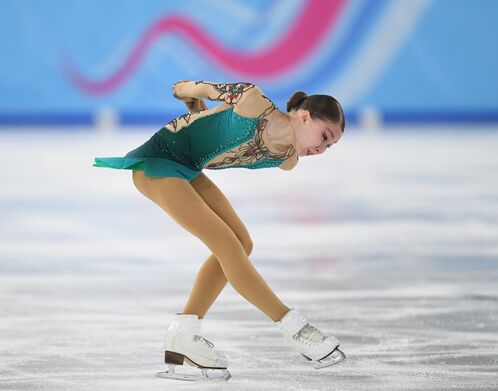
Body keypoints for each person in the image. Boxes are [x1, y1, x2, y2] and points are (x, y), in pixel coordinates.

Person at [93, 80, 346, 381]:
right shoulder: (252, 100)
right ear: (304, 117)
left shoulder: (287, 160)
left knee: (242, 243)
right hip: (158, 160)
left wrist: (199, 114)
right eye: (324, 136)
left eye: (329, 146)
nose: (321, 149)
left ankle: (183, 335)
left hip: (187, 168)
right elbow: (189, 88)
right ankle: (295, 329)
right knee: (228, 245)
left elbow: (219, 134)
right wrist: (187, 96)